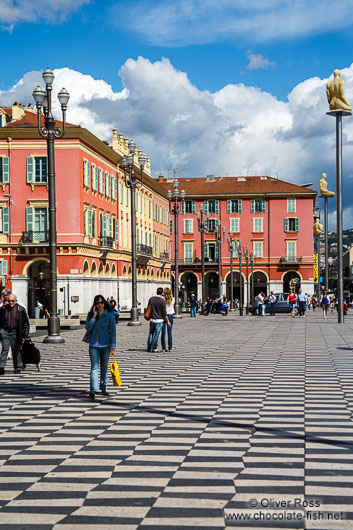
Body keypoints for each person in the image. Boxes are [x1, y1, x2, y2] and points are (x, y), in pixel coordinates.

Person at [85, 295, 116, 400]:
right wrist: (94, 316)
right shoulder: (91, 315)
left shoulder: (110, 316)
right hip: (93, 345)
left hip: (106, 345)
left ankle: (103, 387)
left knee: (104, 368)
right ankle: (93, 390)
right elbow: (88, 327)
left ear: (105, 303)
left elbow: (113, 332)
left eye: (101, 302)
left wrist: (113, 348)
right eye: (97, 303)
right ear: (95, 304)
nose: (100, 305)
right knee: (94, 367)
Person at [0, 294, 30, 375]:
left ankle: (17, 367)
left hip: (16, 332)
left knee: (16, 350)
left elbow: (26, 324)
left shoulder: (21, 310)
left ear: (16, 301)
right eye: (9, 301)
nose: (11, 302)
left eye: (13, 301)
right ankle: (1, 367)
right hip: (4, 331)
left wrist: (25, 335)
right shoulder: (3, 309)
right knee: (4, 350)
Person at [147, 287, 169, 353]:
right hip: (159, 320)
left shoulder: (151, 299)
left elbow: (148, 308)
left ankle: (149, 346)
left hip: (152, 319)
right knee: (157, 334)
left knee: (151, 333)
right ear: (162, 293)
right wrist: (167, 320)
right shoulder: (162, 301)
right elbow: (164, 312)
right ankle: (154, 348)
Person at [161, 287, 174, 352]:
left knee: (163, 333)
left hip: (163, 316)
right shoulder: (173, 299)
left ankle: (163, 348)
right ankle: (170, 348)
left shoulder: (162, 299)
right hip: (170, 316)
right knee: (169, 333)